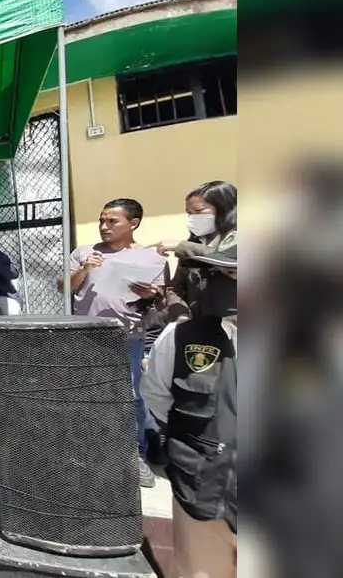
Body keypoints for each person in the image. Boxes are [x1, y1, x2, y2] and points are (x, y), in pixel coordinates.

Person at [142, 238, 237, 578]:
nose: (229, 282)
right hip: (200, 494)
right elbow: (157, 397)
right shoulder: (181, 337)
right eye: (224, 272)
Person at [58, 198, 168, 487]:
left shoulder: (150, 257)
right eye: (101, 220)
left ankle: (137, 455)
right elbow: (62, 286)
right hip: (86, 335)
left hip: (126, 336)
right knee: (88, 395)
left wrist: (148, 294)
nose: (104, 226)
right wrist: (84, 269)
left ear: (133, 224)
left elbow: (160, 296)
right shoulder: (84, 252)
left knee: (130, 395)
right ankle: (95, 451)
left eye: (112, 221)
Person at [154, 180, 238, 321]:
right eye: (189, 213)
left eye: (198, 211)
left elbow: (227, 258)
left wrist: (182, 246)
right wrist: (181, 313)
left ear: (225, 209)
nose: (192, 218)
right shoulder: (193, 245)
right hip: (197, 331)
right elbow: (175, 288)